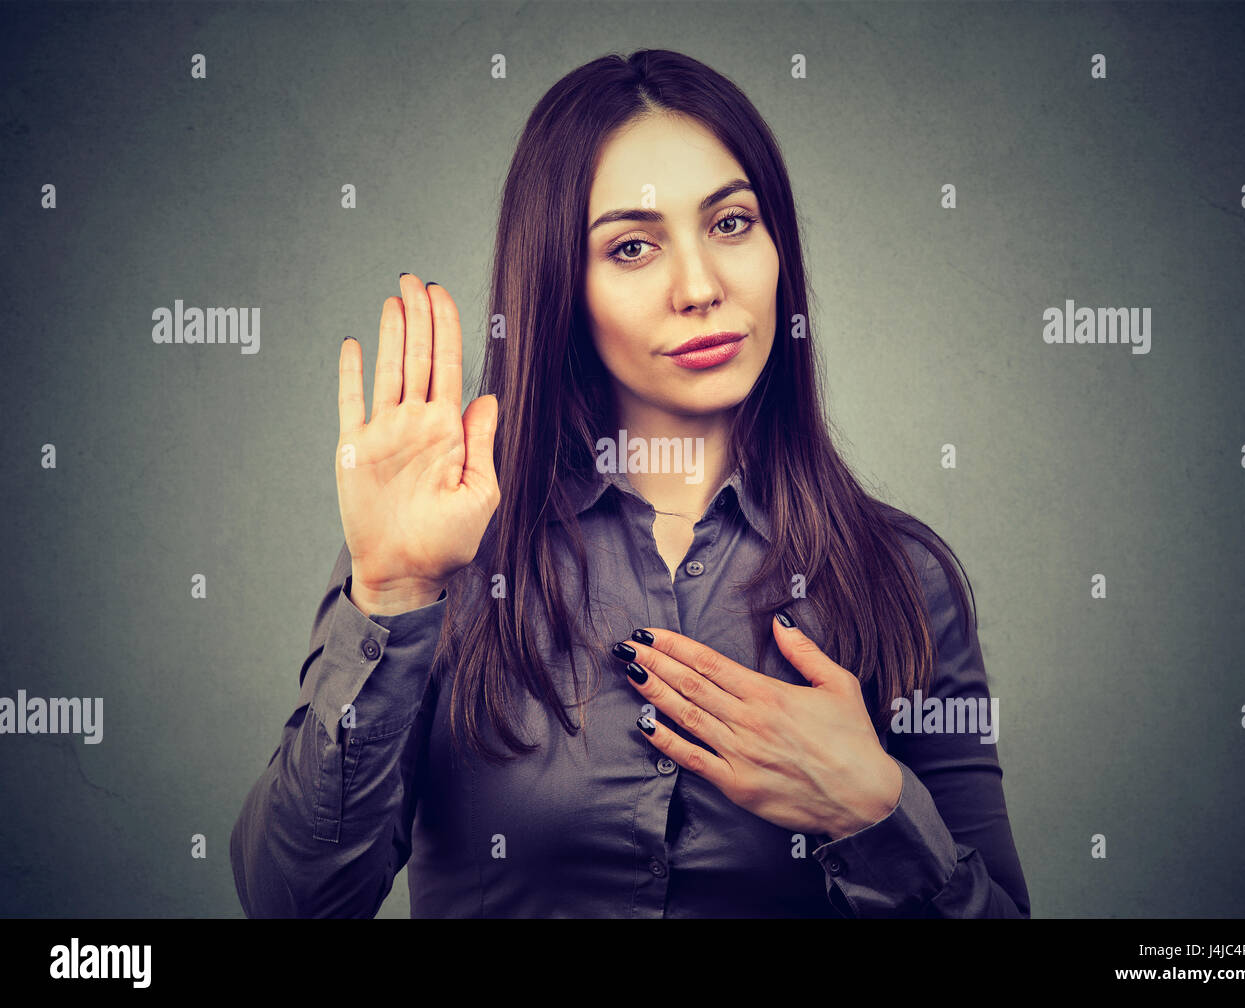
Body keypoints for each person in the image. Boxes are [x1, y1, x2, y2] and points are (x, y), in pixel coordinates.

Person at [230, 48, 1031, 918]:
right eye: (634, 246)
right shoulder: (449, 547)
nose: (700, 287)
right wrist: (389, 593)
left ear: (778, 249)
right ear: (560, 287)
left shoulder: (903, 576)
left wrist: (875, 810)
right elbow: (293, 902)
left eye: (731, 225)